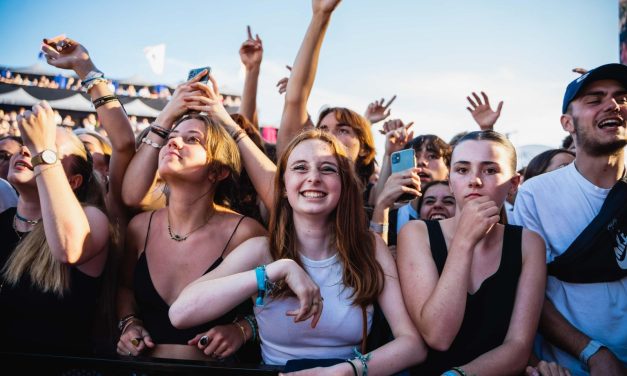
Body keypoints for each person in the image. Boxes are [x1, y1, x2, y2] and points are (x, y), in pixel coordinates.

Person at [169, 129, 426, 375]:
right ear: (283, 186)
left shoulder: (369, 247)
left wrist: (346, 371)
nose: (313, 177)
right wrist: (277, 270)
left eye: (327, 169)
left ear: (344, 185)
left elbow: (412, 344)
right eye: (300, 168)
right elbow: (180, 314)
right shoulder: (262, 250)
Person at [116, 110, 267, 361]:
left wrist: (242, 330)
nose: (173, 142)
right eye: (171, 137)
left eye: (193, 139)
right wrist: (130, 323)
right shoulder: (140, 227)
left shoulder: (245, 233)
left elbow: (281, 306)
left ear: (218, 171)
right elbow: (124, 288)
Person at [397, 130, 546, 375]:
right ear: (450, 181)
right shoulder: (416, 233)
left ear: (513, 184)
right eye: (463, 170)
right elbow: (438, 335)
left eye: (490, 170)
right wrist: (464, 241)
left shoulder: (528, 244)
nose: (474, 180)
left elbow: (518, 347)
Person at [512, 63, 627, 375]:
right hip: (569, 367)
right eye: (594, 99)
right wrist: (592, 352)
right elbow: (528, 293)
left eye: (622, 97)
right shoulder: (536, 195)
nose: (613, 105)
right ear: (567, 122)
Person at [0, 101, 111, 356]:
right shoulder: (3, 220)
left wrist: (43, 148)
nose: (29, 151)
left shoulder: (91, 218)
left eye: (51, 151)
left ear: (73, 181)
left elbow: (69, 249)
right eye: (27, 144)